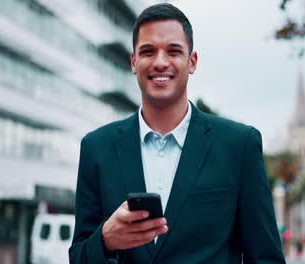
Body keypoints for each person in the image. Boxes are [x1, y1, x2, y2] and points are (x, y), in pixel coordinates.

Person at [69, 3, 285, 263]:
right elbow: (78, 256)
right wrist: (105, 239)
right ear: (134, 62)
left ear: (191, 62)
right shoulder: (96, 148)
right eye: (148, 52)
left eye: (173, 51)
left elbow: (266, 257)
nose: (160, 62)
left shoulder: (238, 146)